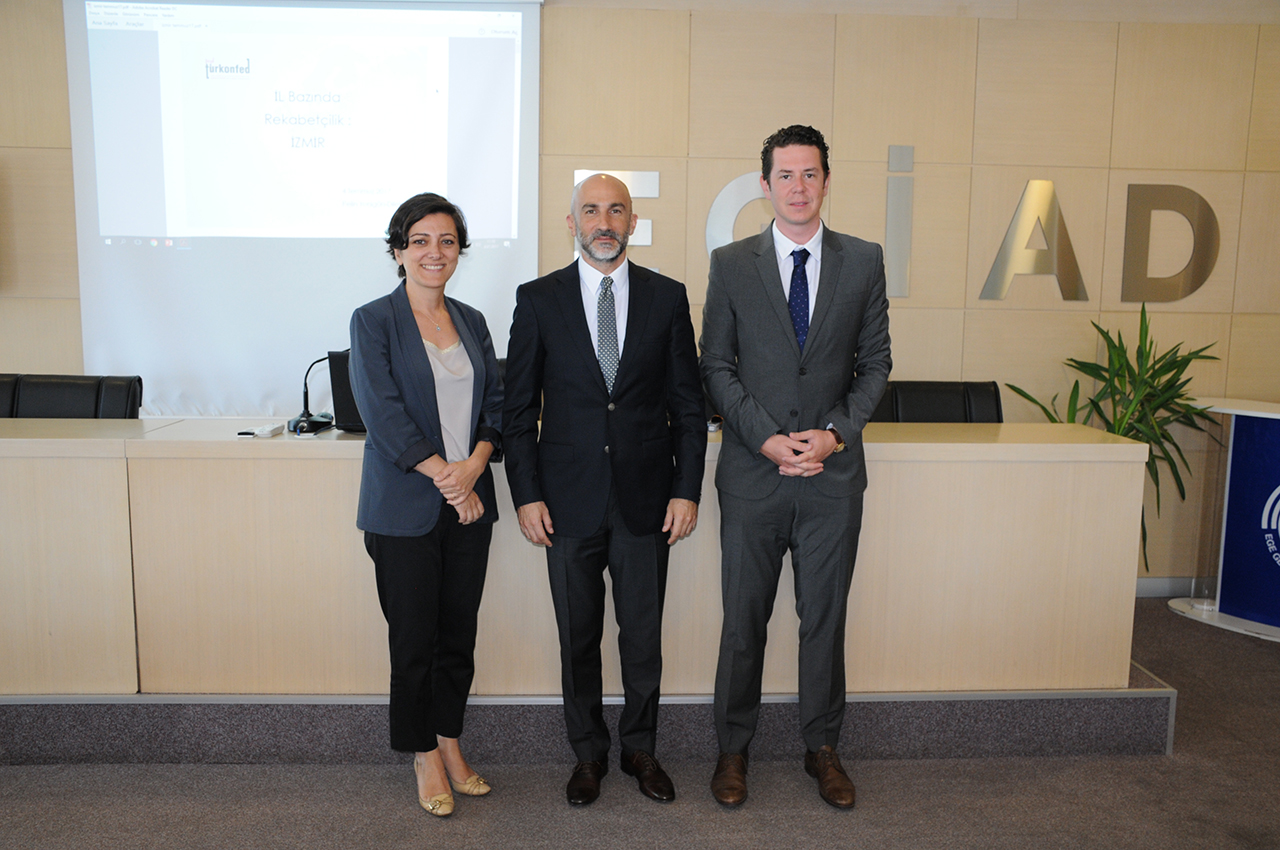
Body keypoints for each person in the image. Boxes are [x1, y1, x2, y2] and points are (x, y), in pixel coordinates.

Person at [699, 125, 891, 809]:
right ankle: (732, 750)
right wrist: (764, 439)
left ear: (826, 182)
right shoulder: (731, 263)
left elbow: (876, 364)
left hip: (832, 480)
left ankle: (823, 749)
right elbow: (715, 366)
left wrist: (834, 436)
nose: (798, 187)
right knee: (742, 621)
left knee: (824, 620)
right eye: (785, 175)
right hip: (754, 477)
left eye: (810, 174)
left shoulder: (863, 260)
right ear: (765, 185)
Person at [503, 173, 707, 806]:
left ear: (632, 223)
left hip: (649, 501)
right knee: (578, 636)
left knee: (643, 637)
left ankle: (640, 748)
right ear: (572, 223)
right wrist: (526, 495)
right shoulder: (538, 299)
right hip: (565, 502)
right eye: (590, 210)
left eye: (616, 210)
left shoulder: (667, 297)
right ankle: (588, 753)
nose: (604, 222)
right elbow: (517, 412)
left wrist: (687, 489)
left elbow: (689, 407)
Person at [349, 193, 503, 819]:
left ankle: (450, 741)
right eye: (419, 241)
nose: (433, 252)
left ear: (459, 251)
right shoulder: (373, 320)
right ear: (398, 251)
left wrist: (473, 468)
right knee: (414, 640)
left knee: (457, 637)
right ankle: (422, 755)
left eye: (446, 241)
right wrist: (449, 478)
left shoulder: (472, 320)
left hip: (470, 503)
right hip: (406, 507)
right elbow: (382, 413)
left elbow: (496, 407)